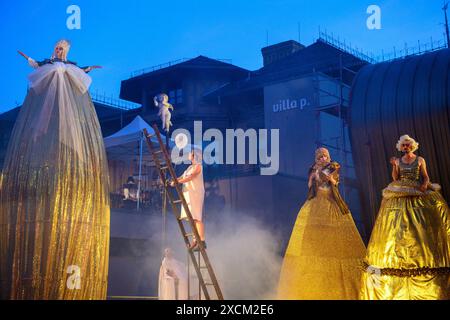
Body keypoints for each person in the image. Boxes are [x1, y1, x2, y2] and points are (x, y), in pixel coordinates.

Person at [0, 40, 110, 299]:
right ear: (55, 50)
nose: (60, 52)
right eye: (58, 49)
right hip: (46, 110)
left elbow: (80, 70)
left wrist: (90, 67)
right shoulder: (49, 64)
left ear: (67, 52)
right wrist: (29, 59)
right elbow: (38, 66)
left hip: (67, 111)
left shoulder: (69, 66)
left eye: (63, 50)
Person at [361, 135, 450, 300]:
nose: (406, 147)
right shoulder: (398, 160)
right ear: (401, 147)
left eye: (408, 145)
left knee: (424, 219)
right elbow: (395, 178)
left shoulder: (420, 159)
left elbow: (426, 176)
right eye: (404, 145)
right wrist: (394, 166)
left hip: (417, 189)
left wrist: (424, 184)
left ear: (412, 146)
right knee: (396, 221)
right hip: (400, 189)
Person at [277, 147, 366, 299]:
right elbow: (310, 185)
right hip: (316, 201)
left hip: (331, 201)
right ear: (316, 158)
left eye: (324, 156)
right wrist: (313, 177)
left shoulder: (334, 166)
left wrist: (322, 175)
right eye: (319, 157)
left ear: (328, 157)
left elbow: (332, 181)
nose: (322, 159)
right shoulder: (313, 169)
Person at [170, 149, 205, 250]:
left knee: (196, 217)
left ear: (194, 156)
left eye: (191, 153)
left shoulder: (198, 166)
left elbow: (190, 177)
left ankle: (202, 241)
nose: (189, 154)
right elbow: (182, 177)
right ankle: (195, 239)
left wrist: (177, 182)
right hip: (189, 194)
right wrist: (174, 180)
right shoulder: (190, 167)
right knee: (192, 218)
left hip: (196, 193)